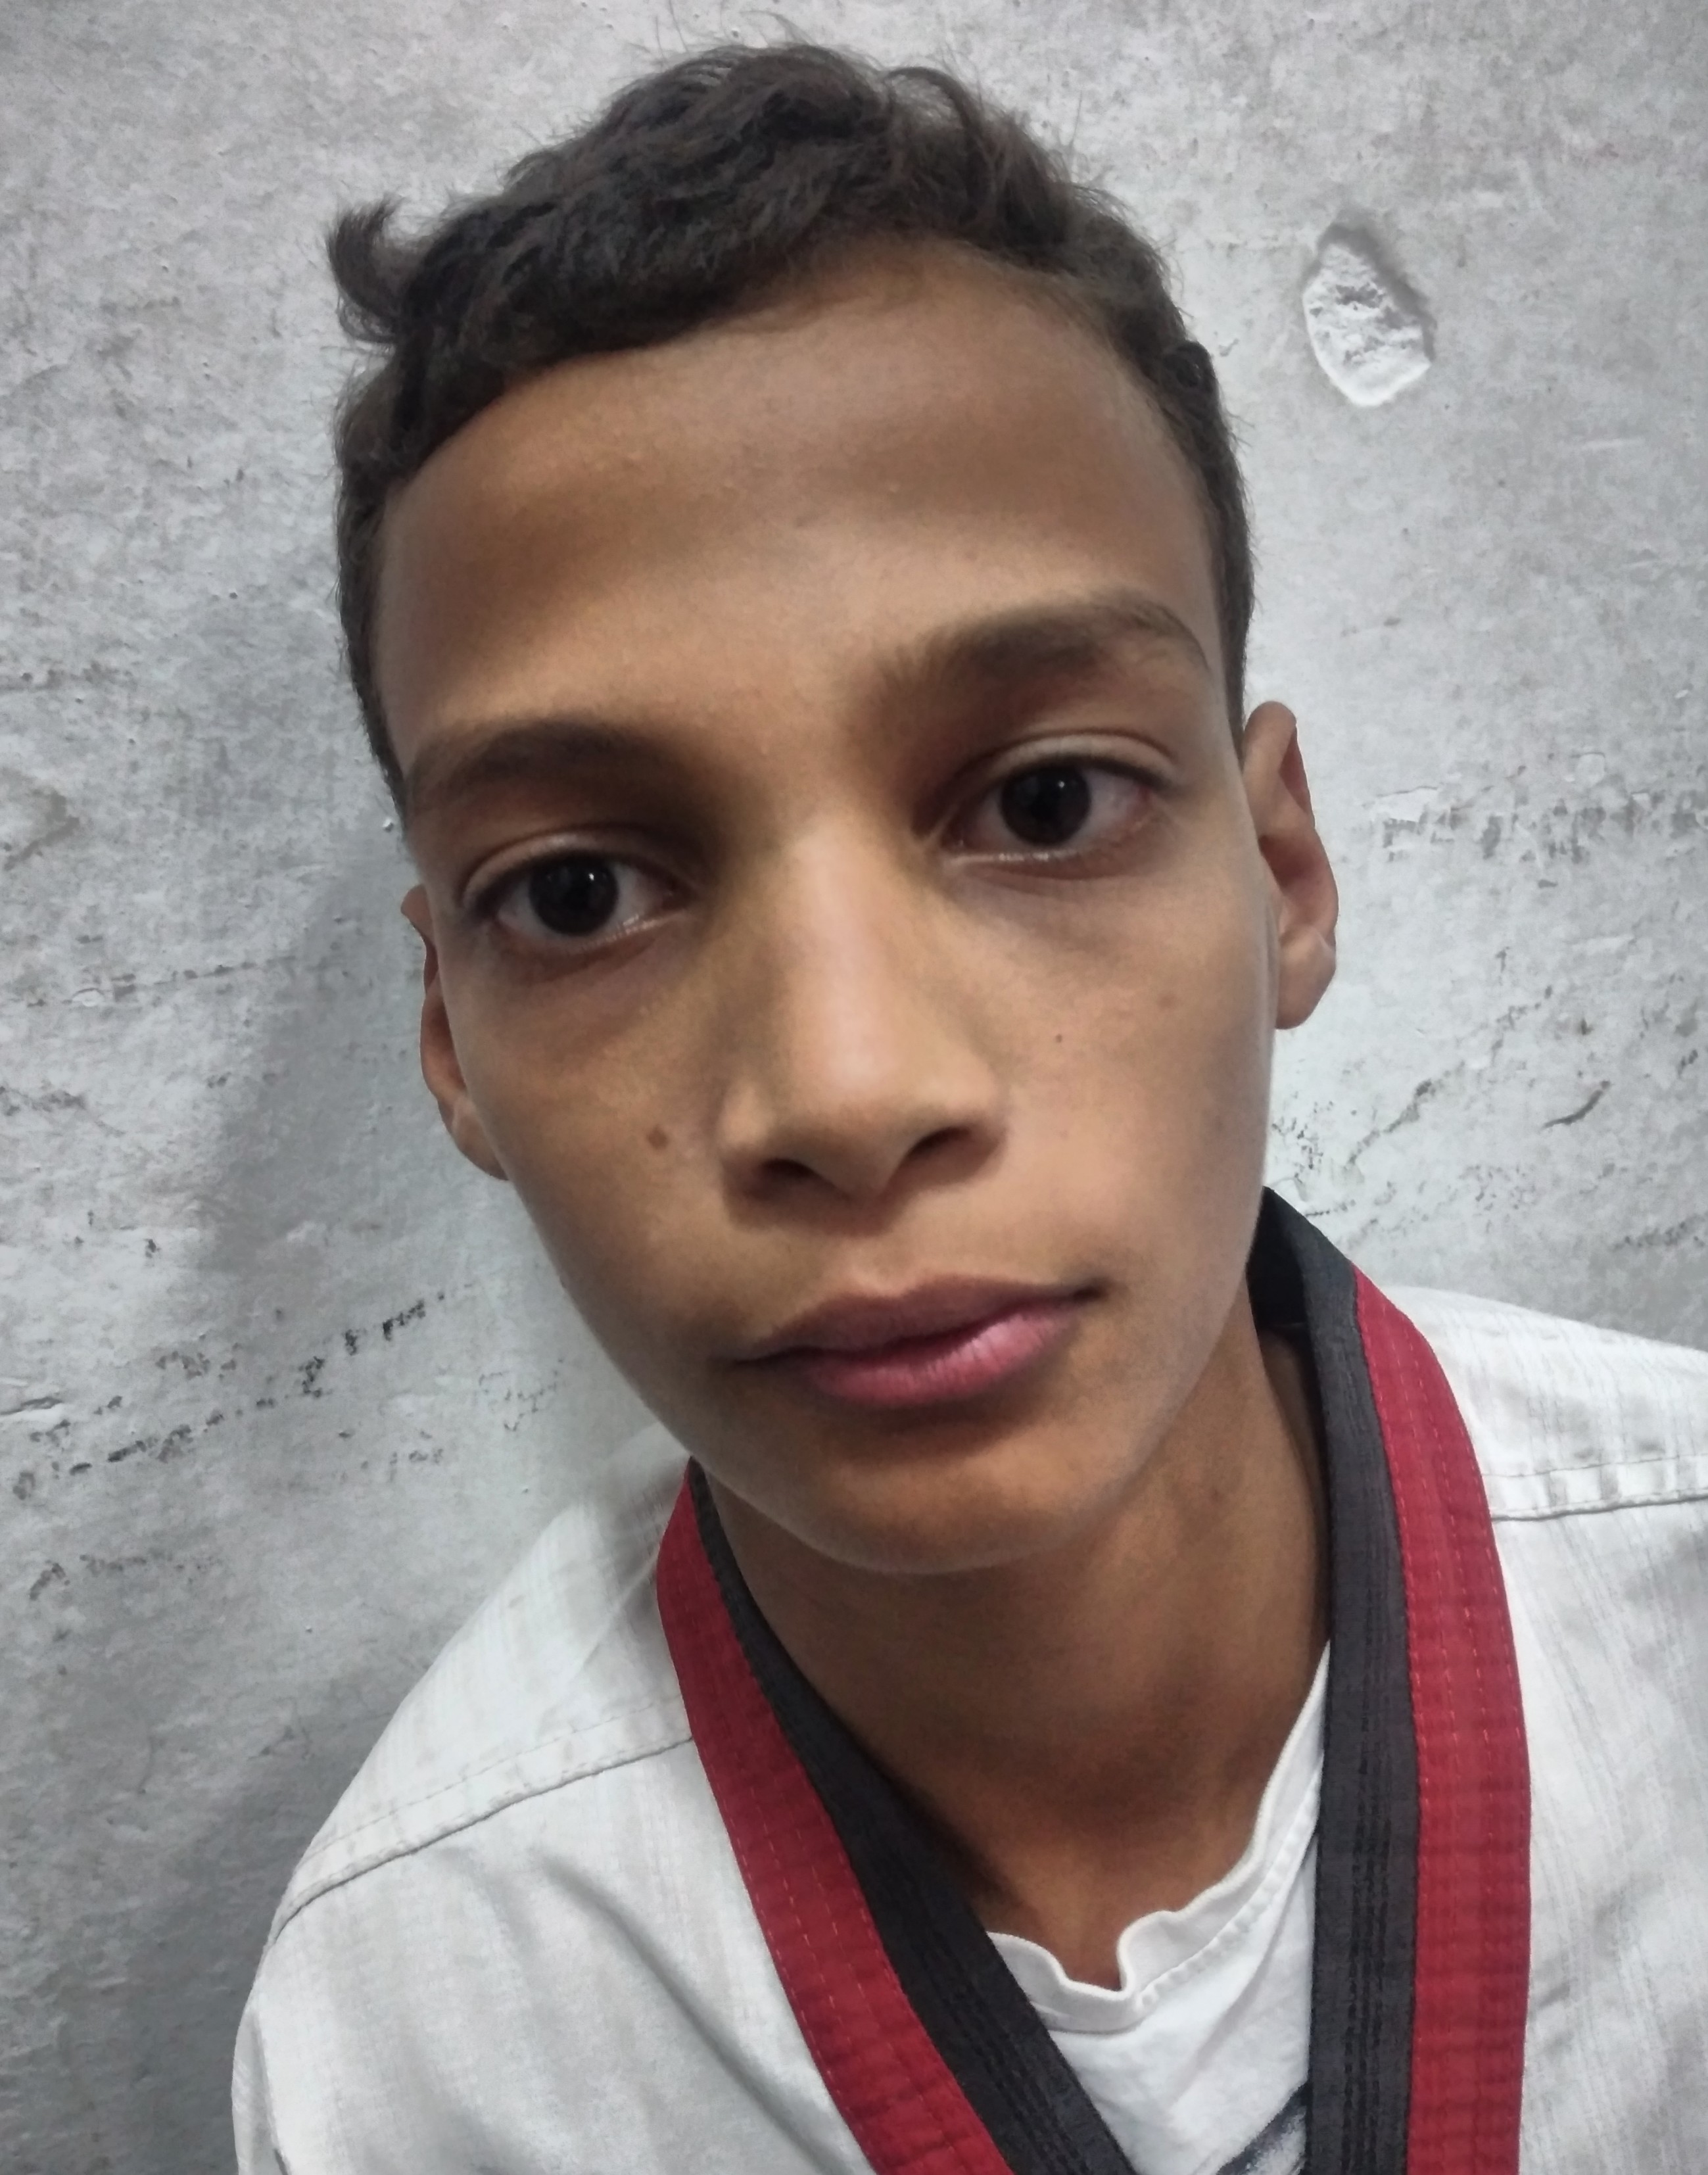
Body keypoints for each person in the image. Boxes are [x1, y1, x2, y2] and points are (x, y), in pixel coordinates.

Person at [231, 41, 1708, 2175]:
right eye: (578, 893)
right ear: (454, 1037)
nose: (853, 1093)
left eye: (1045, 801)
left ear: (1283, 872)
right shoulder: (419, 2029)